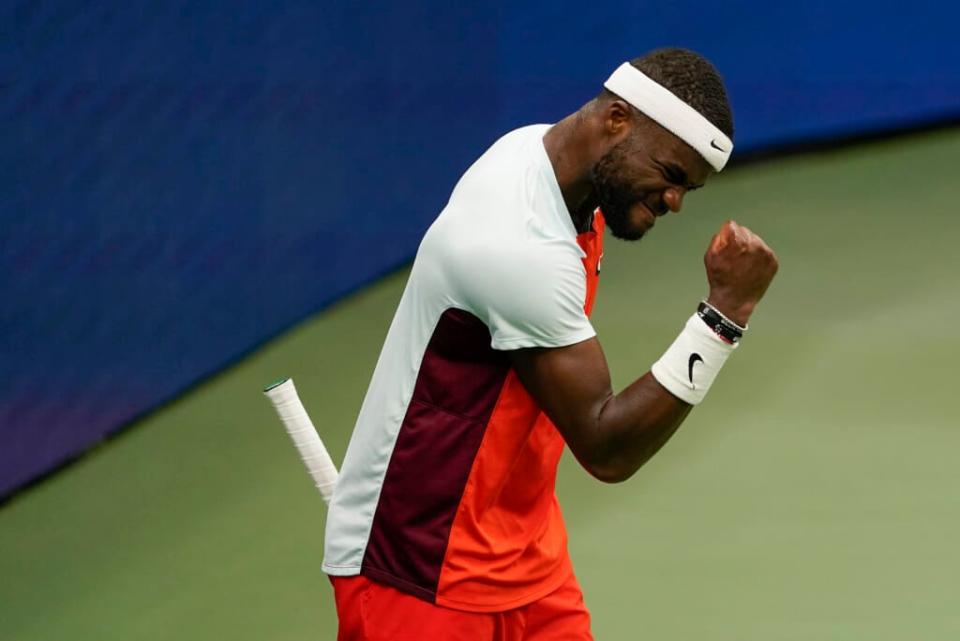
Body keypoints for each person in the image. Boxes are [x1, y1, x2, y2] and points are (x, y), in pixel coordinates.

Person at [322, 48, 778, 640]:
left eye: (687, 187)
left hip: (524, 552)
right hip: (419, 573)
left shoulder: (559, 169)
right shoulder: (517, 243)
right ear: (618, 119)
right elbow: (607, 447)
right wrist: (723, 315)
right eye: (670, 176)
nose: (675, 202)